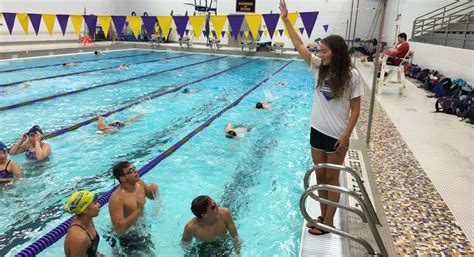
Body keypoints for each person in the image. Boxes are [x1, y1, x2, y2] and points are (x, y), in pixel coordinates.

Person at [280, 0, 363, 235]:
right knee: (319, 175)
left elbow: (356, 109)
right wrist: (286, 19)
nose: (319, 53)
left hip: (337, 135)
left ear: (335, 54)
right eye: (319, 50)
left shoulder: (352, 75)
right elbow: (298, 45)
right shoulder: (318, 68)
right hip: (317, 130)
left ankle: (329, 221)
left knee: (331, 177)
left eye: (324, 51)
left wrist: (346, 136)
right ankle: (324, 215)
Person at [108, 161, 158, 236]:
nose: (135, 171)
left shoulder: (139, 183)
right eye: (130, 171)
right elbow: (119, 230)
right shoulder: (117, 199)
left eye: (134, 168)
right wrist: (138, 209)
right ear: (123, 178)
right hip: (127, 236)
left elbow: (152, 197)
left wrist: (153, 191)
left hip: (141, 227)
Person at [63, 190, 102, 257]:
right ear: (85, 210)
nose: (99, 205)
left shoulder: (88, 221)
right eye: (95, 203)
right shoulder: (79, 238)